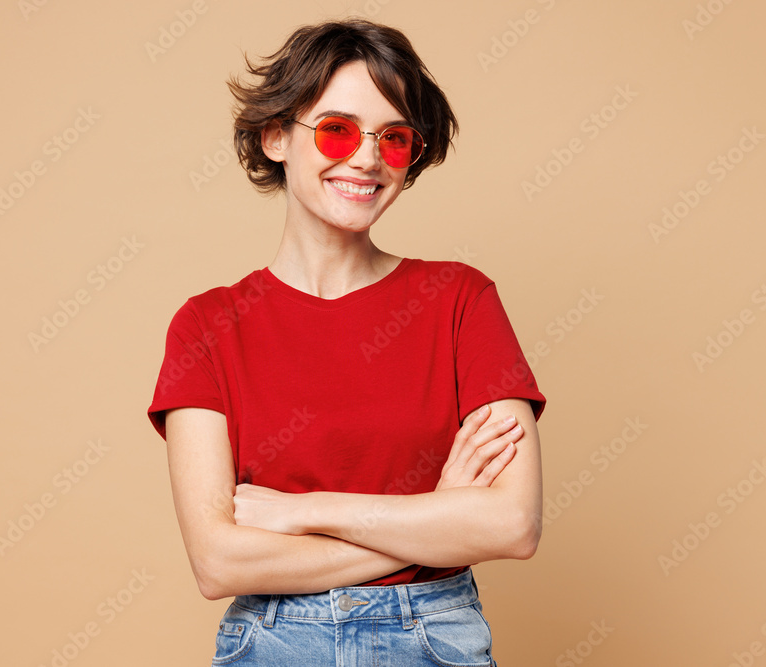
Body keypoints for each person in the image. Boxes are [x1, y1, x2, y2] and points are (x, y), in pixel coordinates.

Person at [147, 18, 546, 666]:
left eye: (393, 139)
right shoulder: (207, 326)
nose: (365, 157)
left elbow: (512, 524)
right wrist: (437, 517)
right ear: (275, 135)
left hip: (433, 639)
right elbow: (218, 562)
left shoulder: (461, 301)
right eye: (337, 129)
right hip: (273, 642)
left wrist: (299, 512)